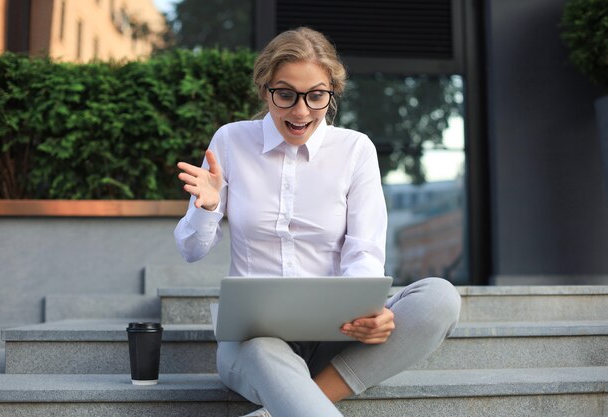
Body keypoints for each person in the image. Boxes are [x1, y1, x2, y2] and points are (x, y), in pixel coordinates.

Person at [174, 27, 461, 417]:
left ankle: (292, 404)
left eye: (316, 96)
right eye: (286, 94)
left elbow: (365, 250)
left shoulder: (355, 150)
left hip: (335, 336)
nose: (301, 110)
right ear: (265, 90)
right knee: (262, 348)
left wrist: (368, 313)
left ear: (331, 93)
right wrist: (206, 208)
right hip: (257, 342)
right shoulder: (230, 141)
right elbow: (191, 251)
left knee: (438, 299)